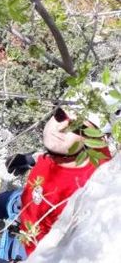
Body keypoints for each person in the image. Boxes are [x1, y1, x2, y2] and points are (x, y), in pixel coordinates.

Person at [17, 82, 118, 255]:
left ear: (96, 139)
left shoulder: (90, 195)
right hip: (25, 205)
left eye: (76, 127)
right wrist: (33, 159)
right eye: (60, 114)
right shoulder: (69, 151)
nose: (60, 127)